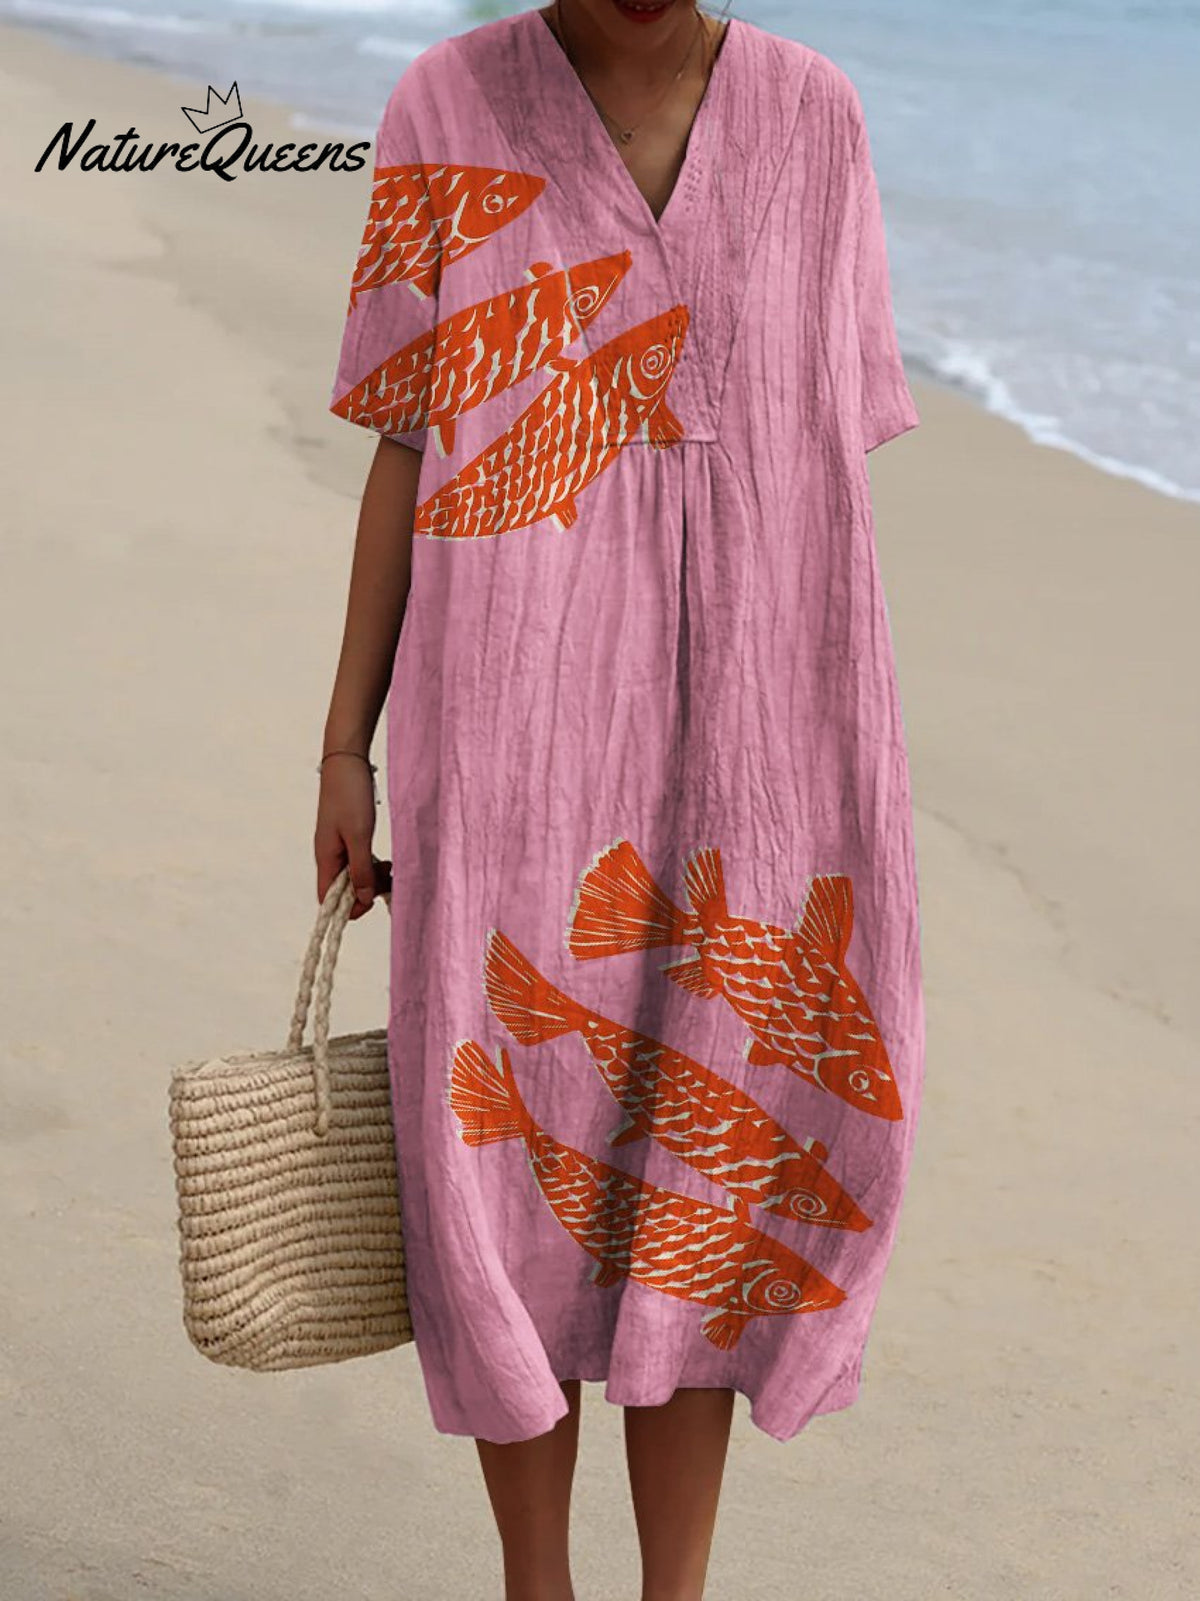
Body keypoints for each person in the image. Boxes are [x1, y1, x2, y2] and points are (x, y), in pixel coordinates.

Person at [316, 2, 924, 1596]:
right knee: (501, 1151)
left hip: (759, 727)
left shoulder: (816, 119)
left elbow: (822, 455)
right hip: (506, 722)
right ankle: (538, 1584)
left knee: (700, 1175)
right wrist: (340, 742)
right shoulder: (448, 99)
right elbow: (404, 438)